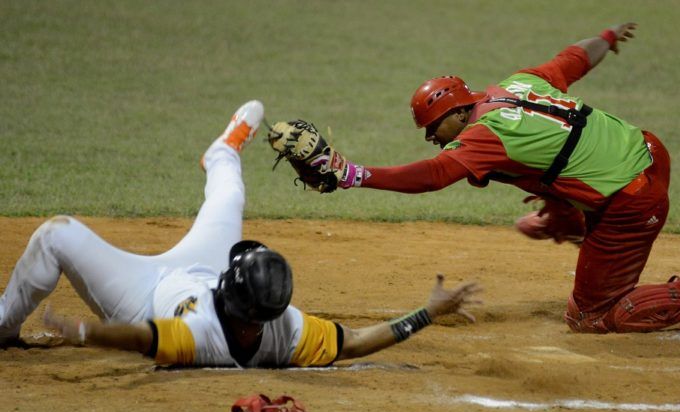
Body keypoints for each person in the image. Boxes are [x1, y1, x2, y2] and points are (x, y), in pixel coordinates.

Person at [325, 23, 680, 335]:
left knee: (590, 317)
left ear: (455, 113)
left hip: (631, 196)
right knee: (553, 200)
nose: (432, 138)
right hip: (645, 151)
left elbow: (432, 176)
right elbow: (571, 60)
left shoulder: (483, 136)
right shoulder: (516, 83)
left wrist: (350, 174)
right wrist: (607, 37)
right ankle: (585, 229)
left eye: (433, 127)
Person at [0, 100, 481, 367]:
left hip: (141, 294)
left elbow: (135, 336)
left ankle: (3, 326)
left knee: (56, 234)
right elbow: (354, 342)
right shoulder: (286, 329)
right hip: (201, 269)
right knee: (227, 199)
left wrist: (85, 330)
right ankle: (223, 149)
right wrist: (427, 314)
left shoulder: (199, 335)